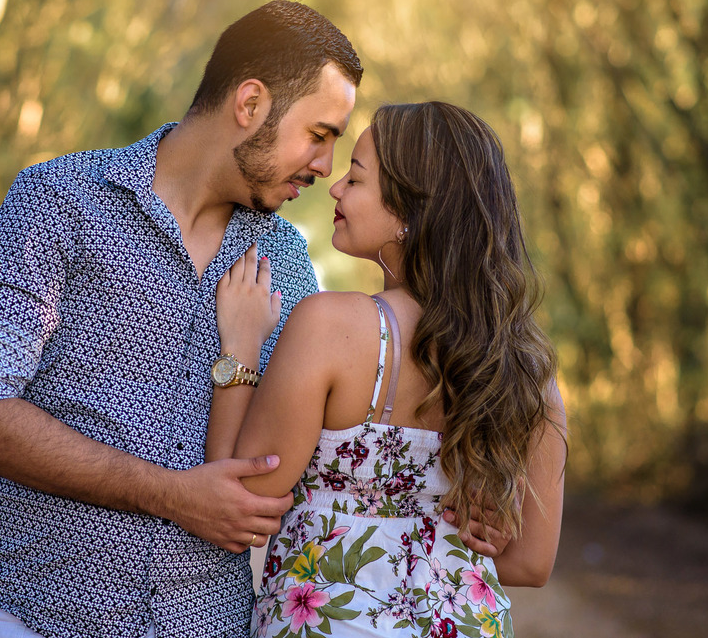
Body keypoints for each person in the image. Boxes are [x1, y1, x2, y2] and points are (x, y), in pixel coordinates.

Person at [0, 0, 362, 637]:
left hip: (207, 623)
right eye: (320, 134)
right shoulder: (59, 202)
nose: (325, 166)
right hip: (38, 618)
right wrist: (172, 494)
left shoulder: (288, 262)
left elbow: (302, 456)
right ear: (250, 105)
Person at [206, 101, 567, 637]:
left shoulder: (331, 325)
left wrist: (240, 349)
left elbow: (242, 499)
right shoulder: (526, 364)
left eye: (355, 178)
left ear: (410, 212)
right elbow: (531, 565)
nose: (334, 188)